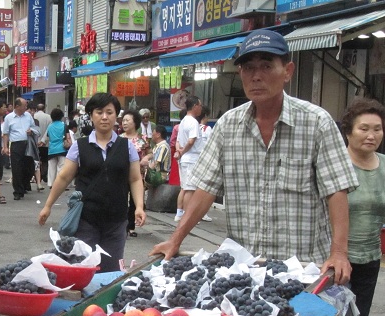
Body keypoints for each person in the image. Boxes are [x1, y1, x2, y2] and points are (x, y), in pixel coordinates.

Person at [150, 29, 359, 285]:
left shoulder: (317, 123)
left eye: (266, 66)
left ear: (288, 71)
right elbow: (205, 190)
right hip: (244, 270)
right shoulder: (228, 125)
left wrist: (339, 253)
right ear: (240, 74)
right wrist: (176, 239)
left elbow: (336, 191)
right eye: (249, 68)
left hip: (303, 270)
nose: (257, 76)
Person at [38, 93, 147, 273]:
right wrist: (47, 206)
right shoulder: (79, 146)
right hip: (86, 220)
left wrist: (139, 207)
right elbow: (64, 177)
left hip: (117, 221)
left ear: (116, 116)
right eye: (99, 112)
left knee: (111, 271)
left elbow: (135, 179)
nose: (104, 117)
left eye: (109, 112)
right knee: (84, 268)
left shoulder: (126, 147)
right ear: (91, 116)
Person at [341, 98, 385, 316]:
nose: (372, 135)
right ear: (348, 132)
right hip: (335, 260)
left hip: (369, 259)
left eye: (377, 129)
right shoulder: (336, 166)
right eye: (364, 129)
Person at [174, 95, 212, 223]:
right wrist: (183, 152)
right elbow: (191, 141)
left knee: (185, 187)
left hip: (186, 158)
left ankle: (182, 214)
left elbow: (178, 141)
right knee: (189, 189)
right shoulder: (193, 122)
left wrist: (180, 152)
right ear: (195, 106)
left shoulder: (184, 120)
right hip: (191, 158)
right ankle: (186, 216)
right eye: (200, 105)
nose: (201, 108)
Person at [120, 110, 150, 238]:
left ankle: (131, 227)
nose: (124, 123)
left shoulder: (142, 139)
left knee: (134, 201)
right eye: (123, 120)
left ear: (135, 123)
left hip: (137, 175)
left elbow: (150, 152)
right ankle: (120, 225)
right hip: (120, 174)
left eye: (127, 120)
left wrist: (146, 158)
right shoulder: (119, 139)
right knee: (120, 200)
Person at [2, 97, 37, 200]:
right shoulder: (9, 117)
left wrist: (31, 131)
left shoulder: (28, 116)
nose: (26, 108)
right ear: (17, 106)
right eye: (24, 106)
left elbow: (34, 128)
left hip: (28, 143)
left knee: (30, 167)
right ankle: (17, 191)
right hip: (16, 144)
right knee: (16, 168)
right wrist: (5, 146)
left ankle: (24, 184)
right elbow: (5, 133)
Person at [43, 108, 68, 188]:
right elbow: (67, 137)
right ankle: (59, 183)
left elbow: (47, 137)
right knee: (61, 167)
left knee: (51, 167)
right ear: (61, 116)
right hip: (62, 148)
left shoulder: (50, 126)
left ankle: (51, 184)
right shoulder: (64, 125)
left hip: (52, 149)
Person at [35, 103, 52, 188]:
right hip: (45, 143)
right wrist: (44, 140)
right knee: (45, 160)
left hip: (35, 142)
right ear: (44, 108)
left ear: (36, 109)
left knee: (36, 160)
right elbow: (49, 130)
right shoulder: (48, 117)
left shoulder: (33, 116)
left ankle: (37, 177)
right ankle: (44, 175)